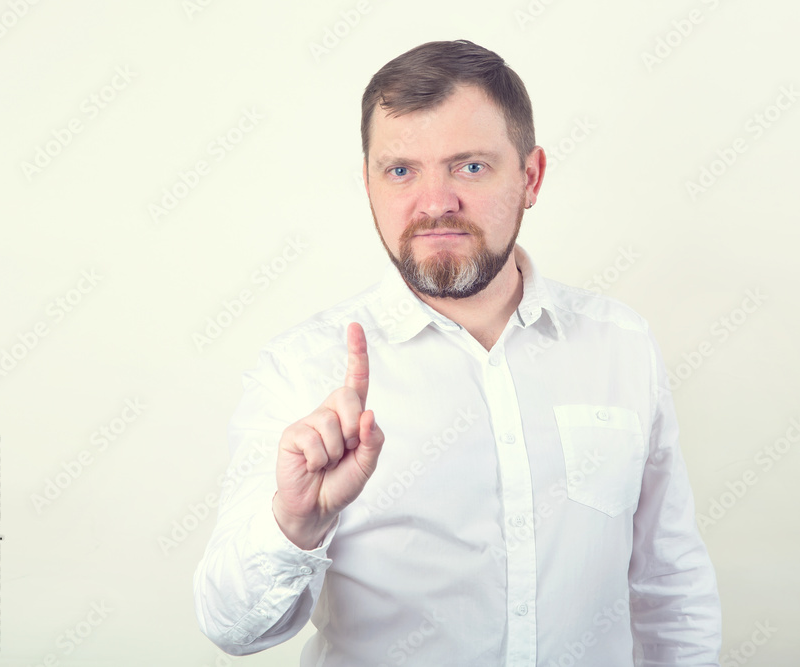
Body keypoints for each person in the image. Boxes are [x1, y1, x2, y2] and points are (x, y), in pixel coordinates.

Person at [193, 39, 721, 666]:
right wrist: (296, 523)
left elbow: (669, 581)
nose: (436, 201)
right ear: (368, 184)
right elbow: (233, 629)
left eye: (469, 167)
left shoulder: (621, 345)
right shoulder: (301, 369)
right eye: (401, 171)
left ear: (530, 178)